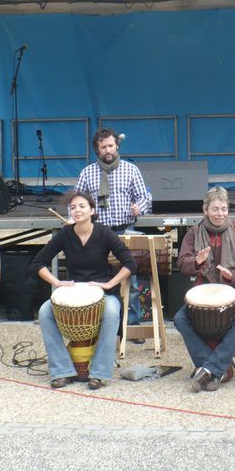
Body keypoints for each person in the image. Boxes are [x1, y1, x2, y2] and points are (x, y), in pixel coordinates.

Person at [31, 191, 136, 390]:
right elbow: (38, 262)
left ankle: (100, 372)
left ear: (92, 210)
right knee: (45, 312)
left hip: (102, 291)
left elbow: (129, 263)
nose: (77, 210)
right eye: (73, 207)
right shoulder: (65, 234)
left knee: (112, 312)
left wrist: (109, 283)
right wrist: (57, 282)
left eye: (82, 206)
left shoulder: (104, 233)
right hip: (74, 290)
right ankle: (61, 370)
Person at [172, 187, 235, 392]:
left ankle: (207, 369)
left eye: (223, 209)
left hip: (232, 295)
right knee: (180, 319)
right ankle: (216, 369)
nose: (220, 213)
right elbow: (182, 264)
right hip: (201, 294)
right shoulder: (194, 233)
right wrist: (197, 261)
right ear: (205, 210)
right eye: (215, 209)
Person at [74, 128, 151, 326]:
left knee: (131, 280)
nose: (107, 150)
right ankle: (101, 322)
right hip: (97, 234)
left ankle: (131, 324)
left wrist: (138, 207)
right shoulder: (87, 173)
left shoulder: (130, 169)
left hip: (126, 230)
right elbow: (76, 202)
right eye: (103, 147)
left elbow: (145, 197)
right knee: (99, 278)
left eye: (110, 145)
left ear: (117, 145)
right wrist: (74, 219)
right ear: (97, 150)